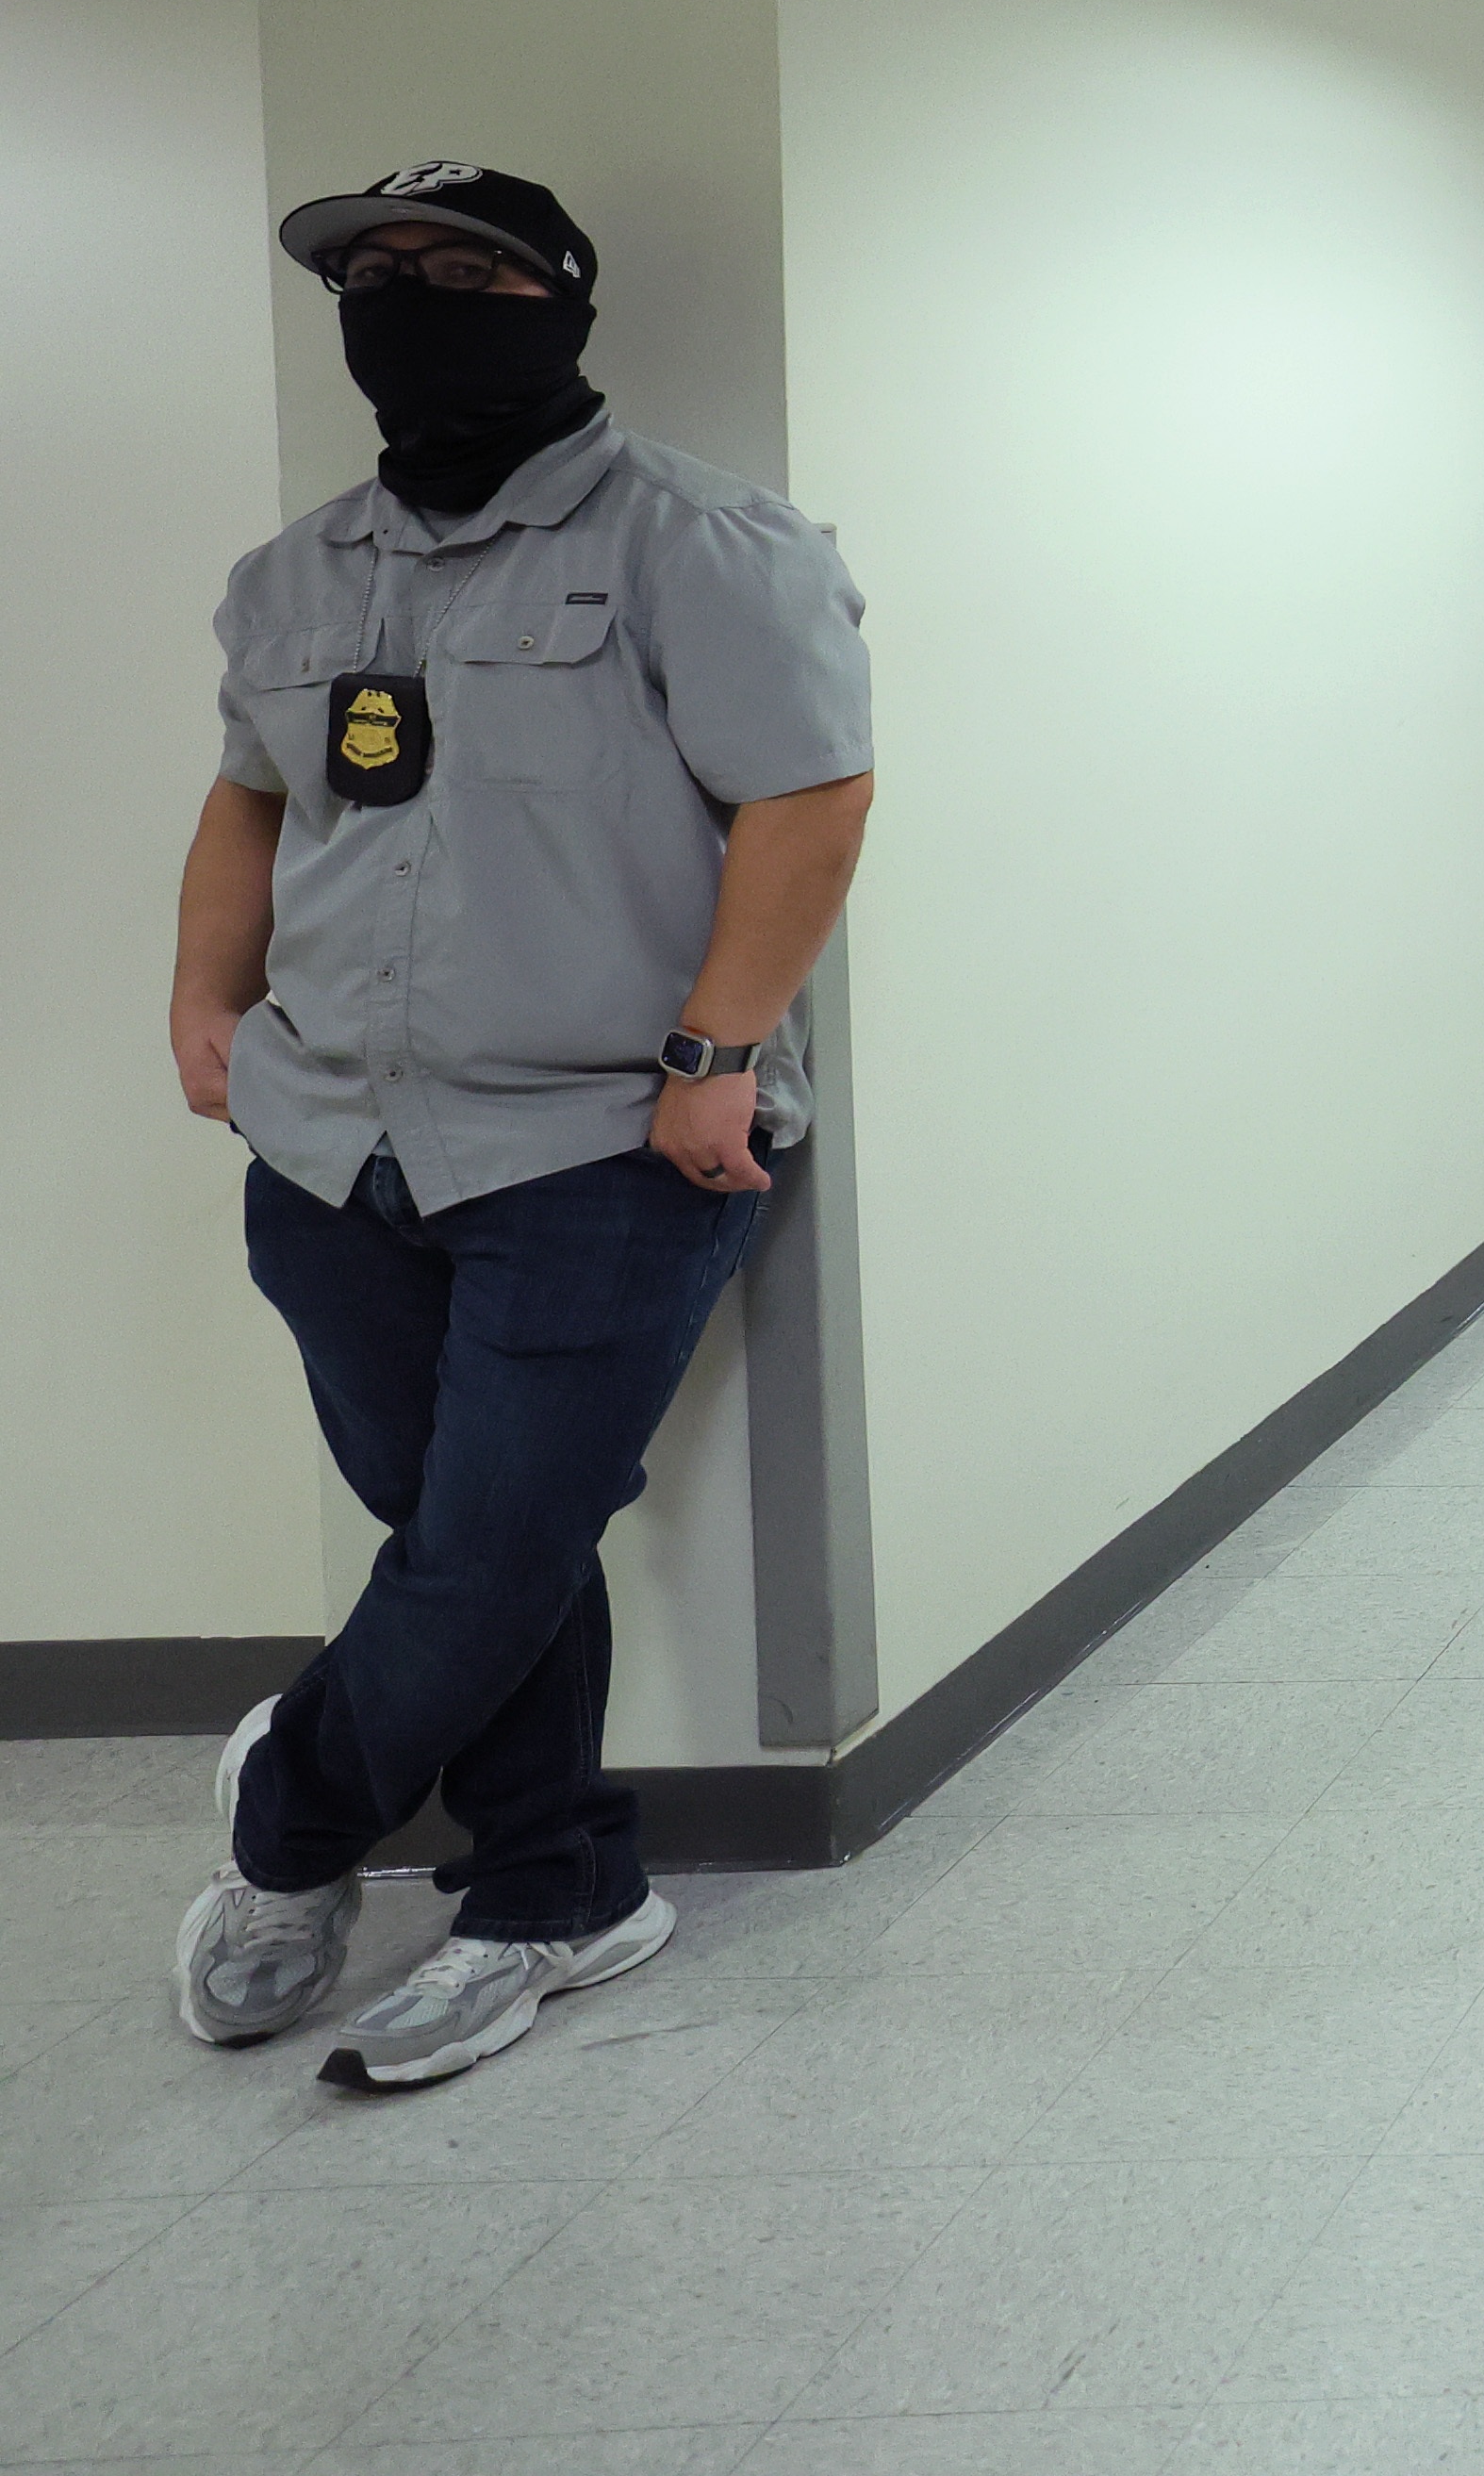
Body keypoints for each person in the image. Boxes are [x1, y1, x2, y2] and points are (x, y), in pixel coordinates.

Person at [162, 163, 873, 2092]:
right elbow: (250, 799)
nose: (404, 298)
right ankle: (550, 1886)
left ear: (556, 304)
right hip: (336, 1148)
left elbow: (809, 799)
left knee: (487, 1542)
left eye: (455, 270)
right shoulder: (295, 575)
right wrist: (203, 1002)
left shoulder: (700, 544)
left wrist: (719, 1047)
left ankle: (292, 1811)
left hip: (603, 1147)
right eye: (371, 274)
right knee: (472, 1533)